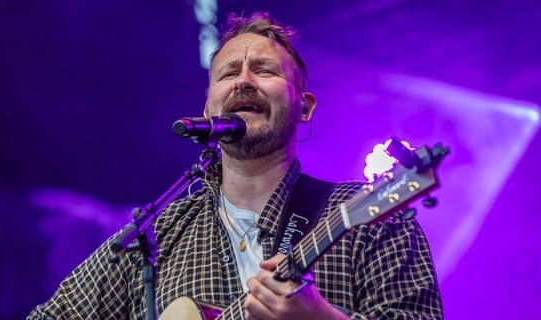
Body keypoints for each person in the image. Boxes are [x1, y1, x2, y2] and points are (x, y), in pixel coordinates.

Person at [28, 12, 443, 319]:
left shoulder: (372, 216)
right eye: (229, 73)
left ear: (305, 107)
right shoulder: (155, 237)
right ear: (208, 106)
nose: (244, 80)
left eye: (263, 70)